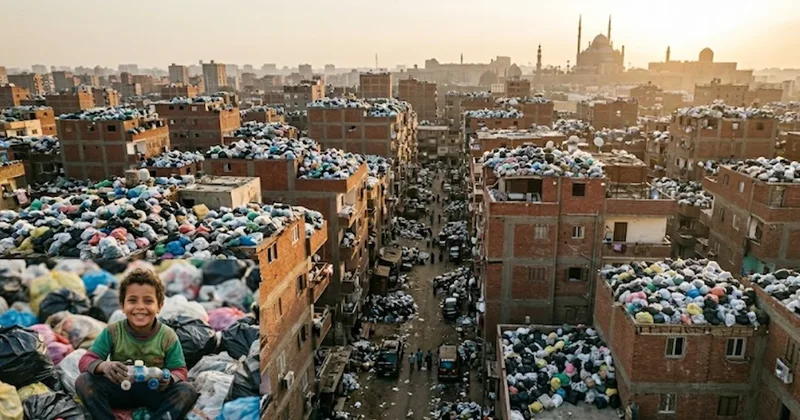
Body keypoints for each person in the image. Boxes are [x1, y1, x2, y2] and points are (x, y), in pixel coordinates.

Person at [75, 269, 198, 419]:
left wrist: (169, 379)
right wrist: (104, 366)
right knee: (84, 381)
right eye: (132, 301)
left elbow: (180, 370)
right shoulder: (113, 331)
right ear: (122, 305)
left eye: (148, 301)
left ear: (159, 305)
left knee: (187, 390)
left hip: (154, 391)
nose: (140, 307)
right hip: (120, 388)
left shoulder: (167, 335)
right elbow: (86, 360)